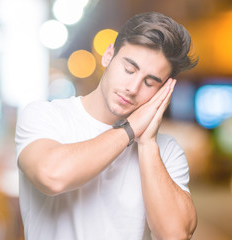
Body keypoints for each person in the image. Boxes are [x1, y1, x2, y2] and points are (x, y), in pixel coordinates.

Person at [15, 11, 198, 240]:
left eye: (150, 83)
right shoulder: (45, 116)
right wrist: (130, 129)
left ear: (163, 91)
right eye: (129, 70)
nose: (133, 87)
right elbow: (52, 176)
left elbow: (175, 235)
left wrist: (148, 143)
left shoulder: (167, 150)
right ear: (108, 55)